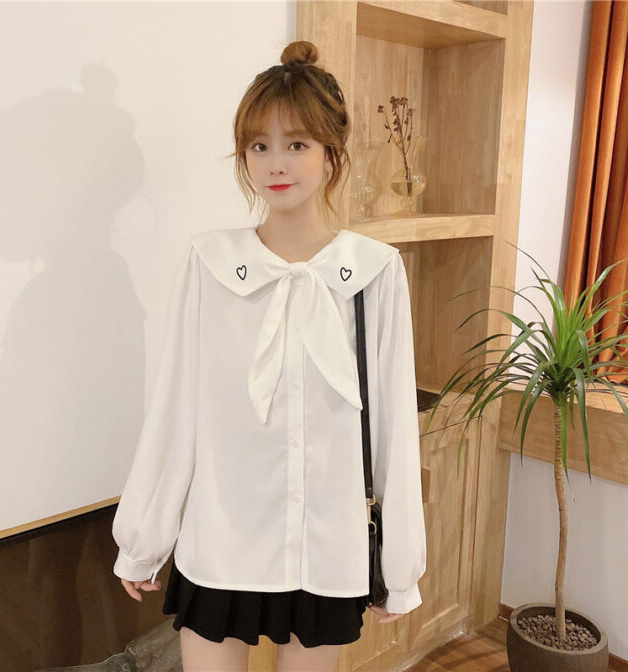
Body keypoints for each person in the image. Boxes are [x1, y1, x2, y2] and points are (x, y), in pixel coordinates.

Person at [111, 39, 427, 672]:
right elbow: (176, 406)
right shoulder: (209, 263)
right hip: (222, 541)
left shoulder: (373, 272)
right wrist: (145, 537)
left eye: (297, 144)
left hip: (326, 551)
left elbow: (393, 425)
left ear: (332, 153)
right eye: (259, 146)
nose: (275, 163)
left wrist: (399, 566)